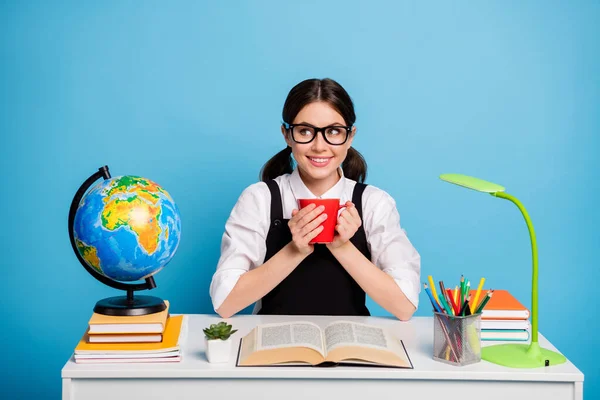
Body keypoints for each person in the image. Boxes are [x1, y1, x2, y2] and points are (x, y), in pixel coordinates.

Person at [209, 78, 420, 320]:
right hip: (273, 345)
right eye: (305, 131)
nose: (319, 146)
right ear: (287, 135)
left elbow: (404, 306)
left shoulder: (374, 203)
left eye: (333, 131)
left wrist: (342, 246)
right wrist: (295, 250)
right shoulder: (259, 198)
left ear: (350, 137)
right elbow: (225, 303)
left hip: (350, 344)